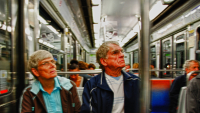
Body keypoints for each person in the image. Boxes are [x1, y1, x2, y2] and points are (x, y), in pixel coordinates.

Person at [81, 41, 140, 113]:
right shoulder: (92, 85)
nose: (122, 55)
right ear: (103, 61)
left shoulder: (135, 81)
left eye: (121, 51)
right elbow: (88, 110)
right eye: (115, 52)